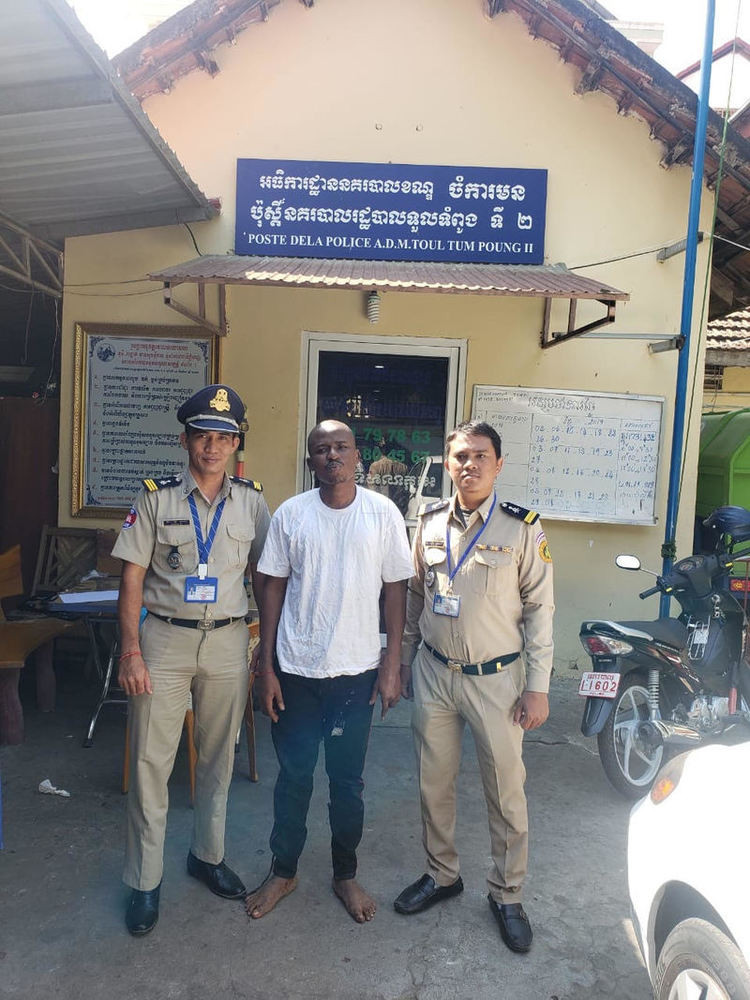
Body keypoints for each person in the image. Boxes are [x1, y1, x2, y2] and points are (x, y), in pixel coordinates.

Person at [112, 384, 270, 936]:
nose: (212, 446)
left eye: (223, 437)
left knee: (217, 760)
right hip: (164, 642)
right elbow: (131, 577)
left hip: (228, 642)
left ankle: (207, 855)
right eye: (202, 435)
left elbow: (265, 576)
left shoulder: (252, 502)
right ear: (185, 440)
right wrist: (130, 651)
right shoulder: (155, 498)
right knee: (150, 765)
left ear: (236, 444)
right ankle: (145, 881)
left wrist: (264, 645)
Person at [394, 419, 554, 954]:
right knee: (433, 783)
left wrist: (538, 686)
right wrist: (406, 659)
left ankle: (507, 894)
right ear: (448, 463)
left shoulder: (522, 528)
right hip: (435, 672)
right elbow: (416, 596)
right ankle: (441, 874)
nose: (470, 465)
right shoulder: (429, 522)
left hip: (497, 680)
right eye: (461, 456)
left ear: (498, 464)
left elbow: (540, 610)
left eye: (481, 455)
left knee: (505, 791)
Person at [245, 419, 413, 924]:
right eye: (322, 449)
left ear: (358, 456)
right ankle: (283, 871)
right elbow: (271, 586)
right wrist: (267, 664)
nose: (332, 456)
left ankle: (345, 874)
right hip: (296, 672)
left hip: (356, 675)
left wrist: (391, 663)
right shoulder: (292, 514)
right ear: (310, 461)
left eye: (341, 447)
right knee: (294, 778)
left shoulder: (382, 514)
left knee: (347, 784)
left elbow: (396, 590)